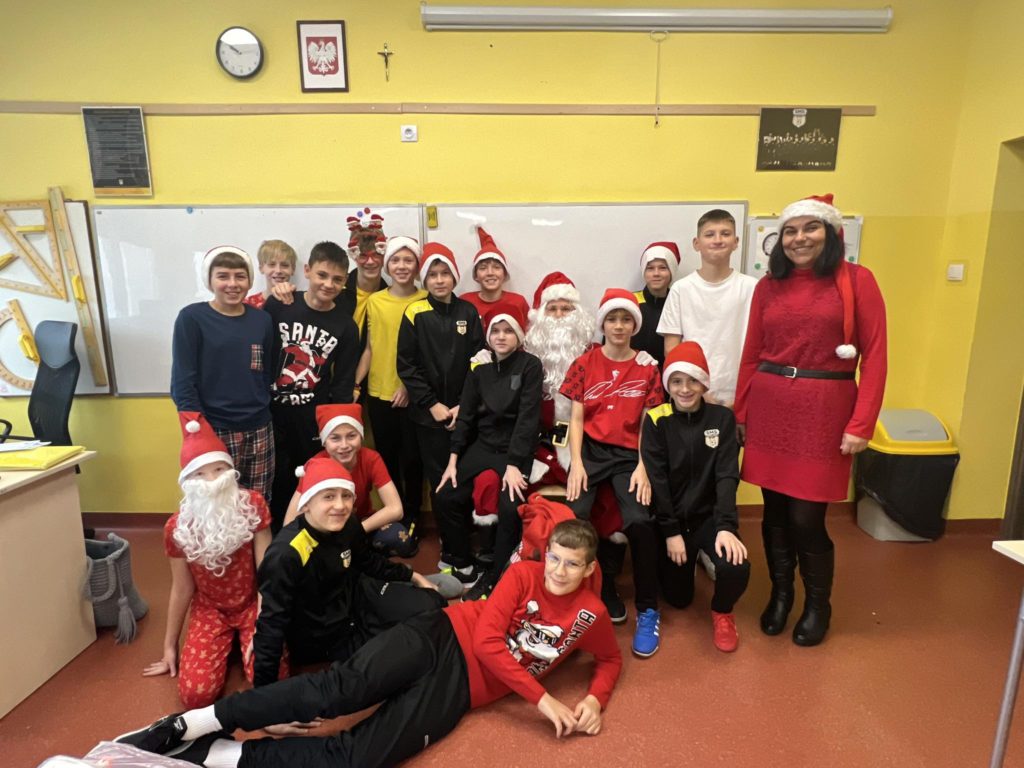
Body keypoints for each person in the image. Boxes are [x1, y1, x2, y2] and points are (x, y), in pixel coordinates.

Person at [116, 520, 622, 768]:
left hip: (460, 693)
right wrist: (544, 699)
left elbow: (610, 658)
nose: (559, 571)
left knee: (358, 758)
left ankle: (222, 756)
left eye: (571, 564)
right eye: (554, 558)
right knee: (338, 691)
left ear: (589, 568)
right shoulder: (522, 575)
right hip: (442, 634)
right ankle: (190, 723)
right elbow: (490, 644)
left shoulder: (591, 615)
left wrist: (596, 698)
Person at [735, 194, 887, 647]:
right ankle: (781, 595)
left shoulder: (858, 281)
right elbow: (751, 355)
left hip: (825, 409)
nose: (799, 238)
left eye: (810, 228)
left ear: (832, 233)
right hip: (770, 406)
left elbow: (876, 357)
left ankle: (818, 604)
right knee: (775, 513)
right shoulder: (768, 286)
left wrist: (861, 423)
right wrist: (742, 412)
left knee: (807, 517)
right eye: (790, 231)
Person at [250, 456, 443, 687]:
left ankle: (408, 589)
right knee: (409, 658)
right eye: (328, 496)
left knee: (434, 605)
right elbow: (271, 624)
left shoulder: (348, 524)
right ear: (307, 504)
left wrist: (412, 575)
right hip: (327, 634)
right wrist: (264, 695)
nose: (340, 505)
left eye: (346, 496)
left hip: (356, 596)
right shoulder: (286, 554)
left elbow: (368, 561)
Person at [144, 413, 280, 708]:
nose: (212, 482)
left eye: (219, 470)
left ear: (231, 472)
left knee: (270, 677)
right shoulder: (177, 527)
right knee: (196, 694)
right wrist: (169, 646)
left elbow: (268, 572)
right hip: (211, 610)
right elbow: (182, 588)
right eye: (200, 474)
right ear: (187, 481)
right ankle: (228, 644)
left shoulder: (253, 505)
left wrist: (265, 622)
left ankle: (242, 642)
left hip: (253, 603)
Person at [561, 288, 665, 657]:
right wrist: (576, 463)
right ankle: (573, 598)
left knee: (640, 520)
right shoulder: (584, 363)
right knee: (574, 514)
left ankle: (648, 609)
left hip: (629, 455)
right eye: (612, 319)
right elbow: (576, 417)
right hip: (591, 450)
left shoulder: (648, 367)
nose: (619, 326)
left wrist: (643, 467)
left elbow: (649, 423)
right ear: (602, 324)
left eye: (625, 320)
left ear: (634, 326)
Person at [641, 342, 750, 653]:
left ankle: (723, 612)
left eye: (692, 380)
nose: (685, 389)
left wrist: (726, 526)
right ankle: (690, 561)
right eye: (676, 381)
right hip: (674, 522)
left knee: (736, 566)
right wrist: (671, 532)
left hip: (708, 518)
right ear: (668, 385)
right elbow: (658, 481)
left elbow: (727, 475)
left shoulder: (722, 419)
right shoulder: (657, 419)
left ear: (704, 383)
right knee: (678, 599)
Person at [435, 302, 543, 599]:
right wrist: (453, 460)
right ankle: (464, 563)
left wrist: (514, 464)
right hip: (483, 446)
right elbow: (466, 416)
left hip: (514, 450)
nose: (501, 336)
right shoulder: (479, 369)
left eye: (508, 331)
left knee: (509, 507)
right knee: (446, 495)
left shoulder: (530, 365)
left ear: (519, 335)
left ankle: (498, 575)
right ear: (488, 336)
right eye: (496, 330)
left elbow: (528, 419)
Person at [263, 241, 360, 531]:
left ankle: (309, 538)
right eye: (322, 275)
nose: (328, 284)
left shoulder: (346, 326)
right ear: (307, 271)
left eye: (337, 279)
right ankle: (279, 544)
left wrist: (335, 429)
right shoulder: (279, 305)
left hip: (311, 419)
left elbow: (343, 384)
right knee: (276, 482)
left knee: (311, 482)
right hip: (270, 414)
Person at [171, 246, 275, 500]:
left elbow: (267, 370)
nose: (232, 284)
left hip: (259, 425)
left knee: (259, 499)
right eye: (223, 276)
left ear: (249, 280)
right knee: (216, 499)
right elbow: (183, 381)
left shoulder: (262, 320)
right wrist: (197, 431)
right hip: (214, 427)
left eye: (240, 276)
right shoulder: (191, 318)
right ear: (209, 280)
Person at [396, 242, 486, 516]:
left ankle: (466, 530)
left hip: (464, 412)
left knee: (464, 474)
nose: (439, 280)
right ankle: (447, 534)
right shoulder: (414, 312)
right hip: (428, 416)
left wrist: (464, 405)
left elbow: (479, 362)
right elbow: (407, 365)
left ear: (454, 277)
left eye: (445, 274)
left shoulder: (468, 311)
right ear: (424, 279)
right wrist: (431, 404)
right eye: (432, 275)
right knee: (439, 478)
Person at [357, 236, 427, 535]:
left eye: (408, 260)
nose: (401, 266)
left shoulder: (426, 299)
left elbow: (429, 353)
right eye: (395, 260)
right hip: (378, 393)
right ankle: (393, 515)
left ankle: (413, 516)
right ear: (387, 265)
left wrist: (410, 387)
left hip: (413, 394)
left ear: (417, 266)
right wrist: (355, 384)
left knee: (413, 459)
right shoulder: (375, 301)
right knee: (386, 460)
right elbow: (370, 348)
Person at [281, 403, 416, 557]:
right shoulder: (314, 466)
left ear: (361, 436)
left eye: (351, 436)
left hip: (360, 524)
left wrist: (355, 532)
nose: (344, 445)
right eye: (335, 438)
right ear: (324, 441)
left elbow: (396, 509)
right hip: (327, 529)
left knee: (397, 537)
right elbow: (290, 521)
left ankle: (367, 561)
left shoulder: (370, 459)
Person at [658, 209, 757, 409]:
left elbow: (760, 347)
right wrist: (697, 391)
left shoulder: (752, 287)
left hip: (742, 395)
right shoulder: (681, 289)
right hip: (694, 396)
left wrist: (743, 396)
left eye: (725, 234)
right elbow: (672, 349)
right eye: (710, 234)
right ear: (697, 243)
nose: (718, 240)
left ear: (736, 242)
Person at [459, 226, 530, 320]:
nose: (490, 273)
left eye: (496, 267)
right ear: (475, 275)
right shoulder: (464, 302)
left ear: (505, 274)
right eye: (483, 268)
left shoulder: (518, 302)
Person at [630, 241, 681, 368]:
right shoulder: (630, 303)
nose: (656, 273)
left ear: (672, 271)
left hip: (669, 375)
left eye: (663, 268)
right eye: (650, 268)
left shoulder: (680, 304)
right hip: (632, 375)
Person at [341, 209, 389, 336]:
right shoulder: (337, 291)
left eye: (376, 255)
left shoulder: (389, 296)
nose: (370, 262)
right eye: (363, 256)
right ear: (354, 256)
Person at [244, 240, 297, 311]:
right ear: (261, 268)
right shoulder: (248, 305)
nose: (278, 271)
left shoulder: (302, 302)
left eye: (285, 265)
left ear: (293, 269)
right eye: (271, 264)